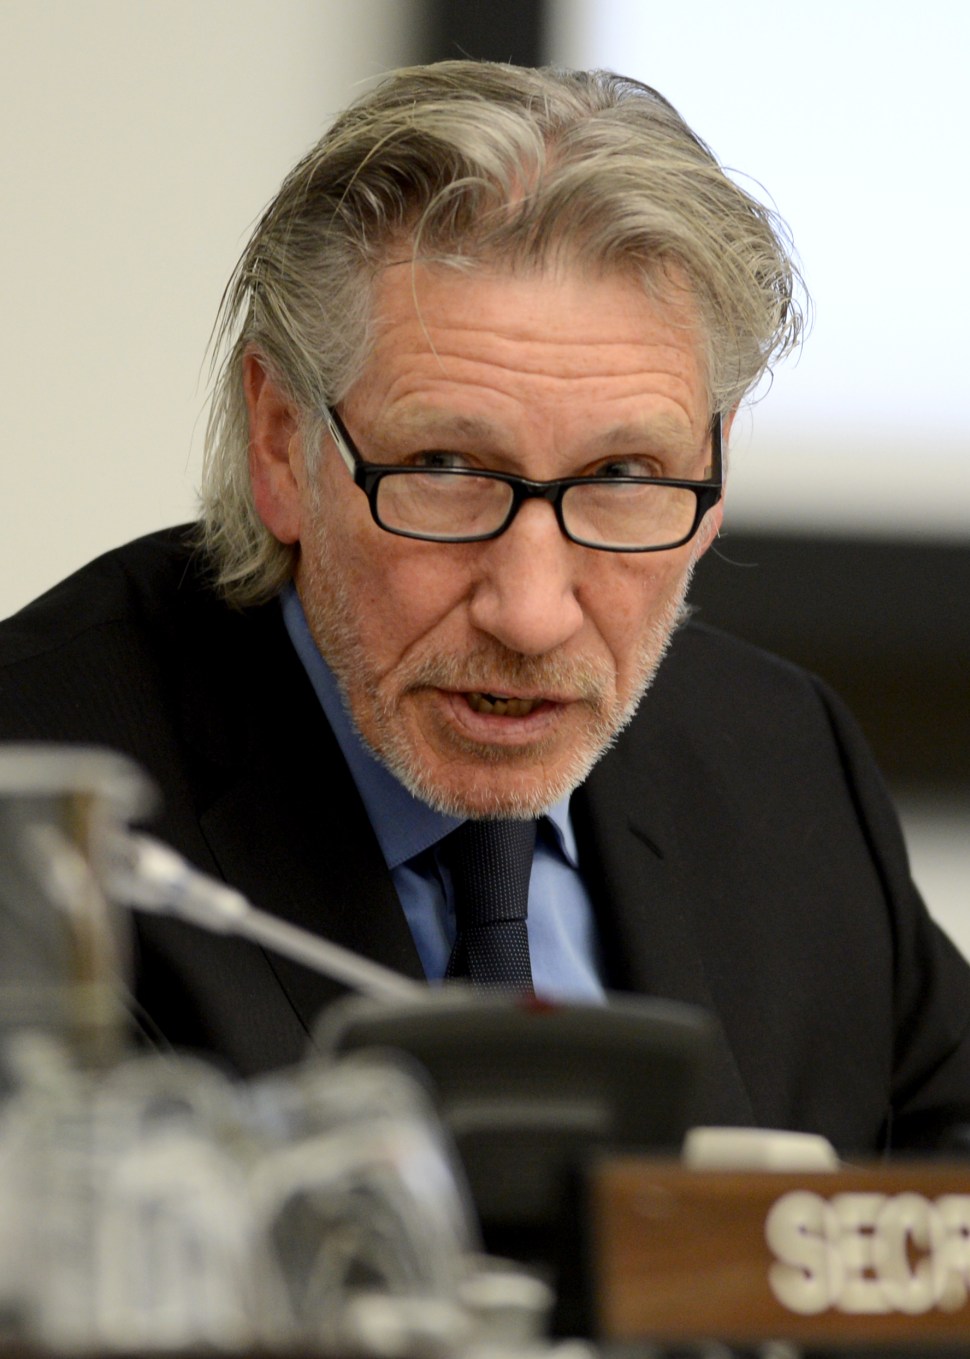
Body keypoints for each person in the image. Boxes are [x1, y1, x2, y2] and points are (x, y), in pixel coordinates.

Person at [1, 61, 968, 1152]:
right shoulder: (34, 808)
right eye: (448, 466)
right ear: (282, 442)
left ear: (716, 465)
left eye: (621, 477)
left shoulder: (780, 767)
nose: (532, 614)